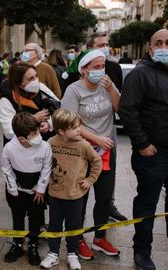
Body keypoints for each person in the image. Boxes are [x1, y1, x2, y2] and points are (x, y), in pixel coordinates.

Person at [119, 29, 168, 270]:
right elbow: (128, 112)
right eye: (158, 43)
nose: (164, 46)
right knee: (147, 203)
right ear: (150, 49)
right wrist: (142, 144)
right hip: (153, 154)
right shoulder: (140, 75)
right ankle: (142, 252)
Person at [61, 49, 121, 261]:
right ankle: (77, 240)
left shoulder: (107, 87)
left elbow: (120, 108)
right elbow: (69, 122)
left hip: (105, 151)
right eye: (95, 67)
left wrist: (113, 89)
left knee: (104, 197)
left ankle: (100, 237)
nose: (100, 71)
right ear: (84, 70)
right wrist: (96, 139)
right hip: (82, 151)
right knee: (80, 197)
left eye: (102, 66)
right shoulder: (73, 90)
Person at [40, 109, 102, 270]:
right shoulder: (51, 143)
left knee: (74, 226)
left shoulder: (83, 145)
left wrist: (90, 180)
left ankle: (72, 253)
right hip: (55, 194)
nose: (79, 130)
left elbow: (97, 162)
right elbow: (44, 162)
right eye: (74, 127)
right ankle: (53, 253)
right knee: (54, 225)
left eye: (79, 126)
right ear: (61, 130)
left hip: (75, 196)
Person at [85, 32, 127, 223]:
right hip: (84, 137)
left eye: (107, 44)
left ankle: (108, 205)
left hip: (108, 133)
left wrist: (111, 90)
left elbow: (119, 102)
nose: (105, 47)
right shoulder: (80, 70)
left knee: (108, 175)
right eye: (101, 44)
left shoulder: (114, 68)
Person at [1, 112, 52, 265]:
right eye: (34, 133)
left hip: (37, 191)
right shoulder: (9, 148)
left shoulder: (45, 146)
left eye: (38, 130)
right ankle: (17, 244)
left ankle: (33, 244)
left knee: (36, 217)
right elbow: (6, 169)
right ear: (21, 138)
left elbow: (47, 168)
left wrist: (41, 189)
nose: (39, 135)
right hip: (16, 190)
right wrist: (13, 191)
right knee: (17, 217)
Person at [0, 62, 59, 145]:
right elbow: (9, 132)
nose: (36, 80)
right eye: (31, 78)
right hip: (21, 149)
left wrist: (49, 124)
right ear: (20, 84)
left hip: (45, 144)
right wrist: (33, 119)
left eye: (36, 76)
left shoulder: (41, 87)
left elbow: (58, 107)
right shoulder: (7, 100)